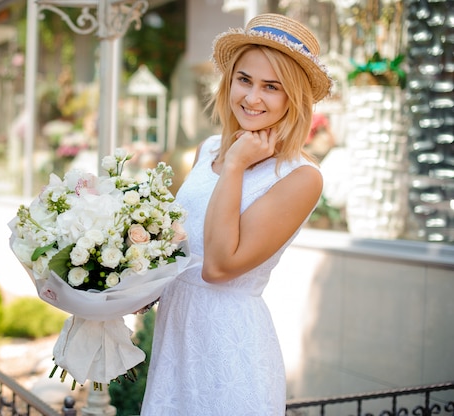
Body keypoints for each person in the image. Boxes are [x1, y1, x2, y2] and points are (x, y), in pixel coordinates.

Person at [140, 13, 332, 415]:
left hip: (229, 345)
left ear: (293, 97)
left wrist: (235, 166)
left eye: (271, 87)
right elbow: (180, 243)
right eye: (244, 80)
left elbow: (219, 266)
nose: (252, 97)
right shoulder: (208, 148)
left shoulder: (301, 177)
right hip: (177, 335)